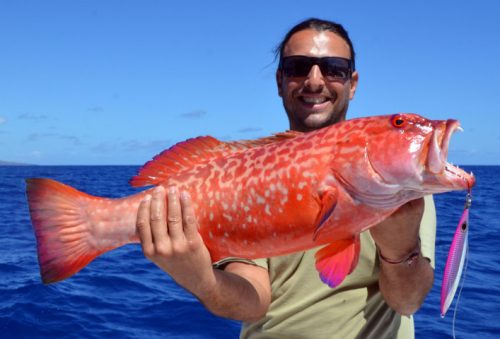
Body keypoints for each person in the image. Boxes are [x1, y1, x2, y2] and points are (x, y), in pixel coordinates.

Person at [135, 18, 436, 338]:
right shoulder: (244, 174)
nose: (315, 81)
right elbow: (253, 302)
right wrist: (201, 281)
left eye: (334, 68)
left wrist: (402, 250)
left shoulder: (401, 184)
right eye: (298, 67)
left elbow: (407, 302)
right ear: (280, 81)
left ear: (353, 82)